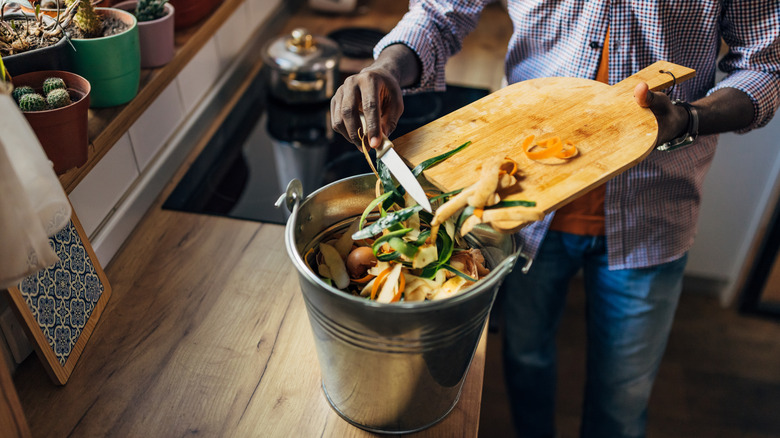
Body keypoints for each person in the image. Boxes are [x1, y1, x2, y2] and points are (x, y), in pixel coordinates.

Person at [329, 1, 780, 437]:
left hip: (655, 214)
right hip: (520, 217)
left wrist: (687, 118)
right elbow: (437, 14)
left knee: (623, 397)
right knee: (526, 361)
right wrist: (386, 67)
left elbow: (766, 67)